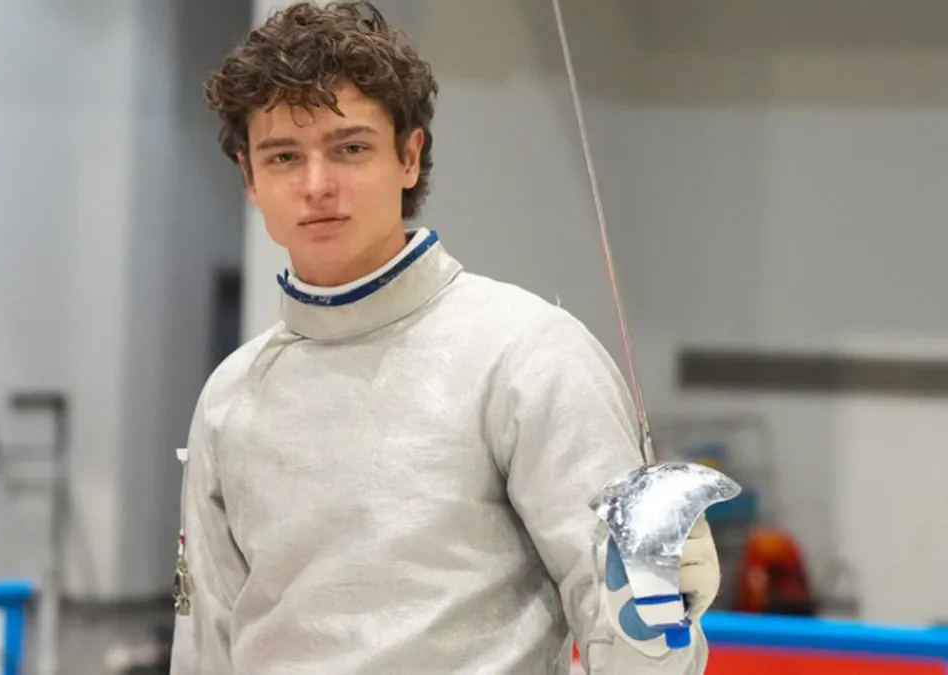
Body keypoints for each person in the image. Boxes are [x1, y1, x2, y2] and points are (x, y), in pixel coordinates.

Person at [170, 3, 722, 674]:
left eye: (350, 148)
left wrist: (660, 610)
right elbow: (205, 650)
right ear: (250, 178)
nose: (317, 185)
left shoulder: (526, 354)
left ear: (409, 156)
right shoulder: (231, 396)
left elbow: (639, 648)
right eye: (284, 156)